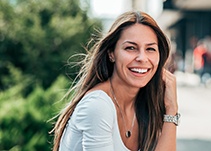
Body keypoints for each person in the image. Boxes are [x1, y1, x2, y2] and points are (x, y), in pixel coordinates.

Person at [51, 11, 180, 151]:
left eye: (150, 49)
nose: (142, 58)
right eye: (131, 48)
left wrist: (171, 109)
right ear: (111, 54)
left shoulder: (145, 104)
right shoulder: (98, 105)